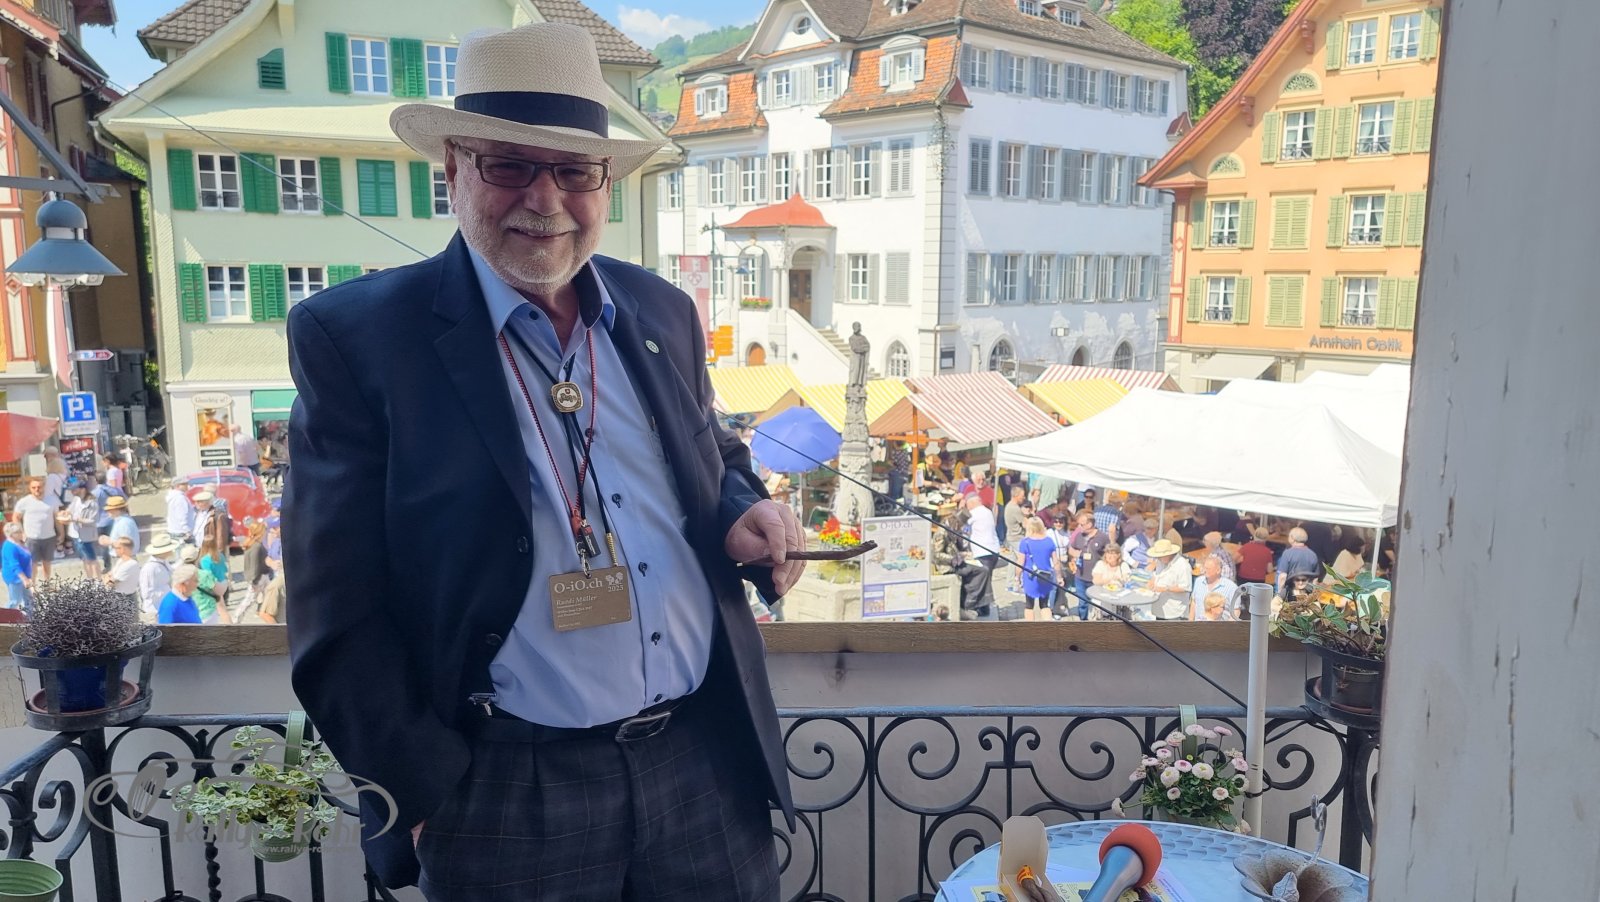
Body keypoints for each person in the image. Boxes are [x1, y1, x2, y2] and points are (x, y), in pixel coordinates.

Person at [284, 24, 807, 897]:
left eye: (572, 171)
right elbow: (334, 607)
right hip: (503, 788)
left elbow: (708, 450)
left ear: (605, 181)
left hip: (701, 759)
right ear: (453, 167)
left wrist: (742, 508)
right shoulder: (358, 339)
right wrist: (425, 793)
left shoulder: (662, 309)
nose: (545, 199)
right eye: (510, 165)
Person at [962, 493, 1001, 619]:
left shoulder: (974, 513)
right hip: (993, 550)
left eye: (967, 505)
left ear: (971, 503)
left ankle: (981, 607)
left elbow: (960, 522)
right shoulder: (987, 512)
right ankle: (984, 607)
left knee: (981, 580)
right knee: (986, 580)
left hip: (983, 551)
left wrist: (961, 508)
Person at [12, 477, 57, 581]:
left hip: (49, 536)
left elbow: (56, 517)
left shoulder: (52, 500)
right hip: (31, 538)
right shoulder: (24, 501)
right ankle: (32, 585)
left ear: (44, 487)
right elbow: (16, 517)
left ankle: (47, 584)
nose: (37, 489)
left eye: (39, 487)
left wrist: (62, 533)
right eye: (34, 487)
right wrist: (21, 533)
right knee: (32, 564)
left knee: (47, 563)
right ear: (30, 488)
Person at [1067, 511, 1108, 620]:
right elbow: (1071, 549)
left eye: (1081, 524)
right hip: (1080, 576)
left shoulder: (1103, 537)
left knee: (1097, 604)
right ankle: (1083, 622)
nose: (1079, 527)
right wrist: (1074, 554)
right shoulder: (1079, 536)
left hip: (1096, 577)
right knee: (1082, 602)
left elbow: (1109, 554)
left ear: (1090, 524)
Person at [1016, 516, 1057, 621]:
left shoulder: (1025, 542)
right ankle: (1047, 625)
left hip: (1030, 577)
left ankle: (1031, 628)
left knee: (1029, 605)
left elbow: (1020, 563)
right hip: (1046, 576)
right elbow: (1056, 562)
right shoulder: (1049, 541)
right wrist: (1059, 576)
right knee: (1044, 605)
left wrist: (1017, 577)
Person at [1147, 539, 1194, 620]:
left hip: (1174, 612)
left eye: (1160, 557)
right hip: (1160, 609)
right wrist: (1152, 581)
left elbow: (1185, 588)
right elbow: (1157, 574)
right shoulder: (1160, 561)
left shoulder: (1183, 566)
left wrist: (1166, 588)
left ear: (1169, 554)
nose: (1158, 559)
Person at [195, 532, 233, 625]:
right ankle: (231, 628)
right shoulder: (220, 555)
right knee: (223, 611)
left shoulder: (204, 560)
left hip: (215, 586)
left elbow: (208, 576)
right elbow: (225, 569)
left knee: (218, 609)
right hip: (223, 583)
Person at [67, 479, 101, 579]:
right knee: (84, 559)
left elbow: (93, 520)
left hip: (86, 536)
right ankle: (90, 579)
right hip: (75, 534)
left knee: (92, 559)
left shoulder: (92, 503)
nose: (72, 492)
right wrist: (65, 513)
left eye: (74, 489)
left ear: (82, 489)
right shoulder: (76, 499)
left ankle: (98, 580)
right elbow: (70, 510)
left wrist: (77, 519)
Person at [139, 534, 178, 621]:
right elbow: (146, 593)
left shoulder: (164, 562)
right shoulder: (150, 568)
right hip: (154, 612)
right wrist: (167, 591)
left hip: (163, 609)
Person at [1189, 556, 1238, 620]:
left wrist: (1229, 625)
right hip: (1199, 624)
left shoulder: (1231, 587)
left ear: (1218, 570)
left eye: (1208, 569)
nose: (1204, 570)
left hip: (1220, 625)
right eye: (1204, 568)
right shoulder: (1199, 581)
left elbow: (1236, 610)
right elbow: (1194, 602)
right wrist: (1190, 621)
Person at [1276, 527, 1322, 594]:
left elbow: (1283, 576)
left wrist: (1280, 593)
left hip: (1290, 592)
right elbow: (1315, 579)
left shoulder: (1287, 553)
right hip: (1306, 592)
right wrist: (1312, 594)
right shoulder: (1313, 554)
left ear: (1292, 538)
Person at [240, 520, 272, 616]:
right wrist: (254, 581)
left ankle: (266, 614)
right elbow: (255, 565)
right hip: (259, 578)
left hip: (263, 576)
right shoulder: (256, 546)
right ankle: (235, 619)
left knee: (269, 597)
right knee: (248, 601)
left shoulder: (253, 544)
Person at [2, 522, 34, 612]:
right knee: (15, 601)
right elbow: (14, 565)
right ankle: (4, 616)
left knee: (29, 599)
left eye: (20, 531)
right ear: (11, 534)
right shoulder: (9, 547)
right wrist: (25, 579)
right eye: (18, 532)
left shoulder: (20, 543)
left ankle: (30, 618)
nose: (21, 533)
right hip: (15, 578)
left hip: (24, 576)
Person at [105, 537, 141, 605]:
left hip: (126, 599)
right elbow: (109, 575)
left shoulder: (131, 564)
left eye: (117, 548)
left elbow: (110, 583)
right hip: (118, 597)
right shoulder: (120, 561)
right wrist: (108, 577)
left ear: (123, 549)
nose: (115, 550)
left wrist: (108, 578)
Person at [165, 477, 195, 544]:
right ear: (177, 486)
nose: (187, 485)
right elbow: (182, 515)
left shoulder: (173, 496)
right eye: (184, 484)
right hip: (181, 532)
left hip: (174, 530)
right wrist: (187, 531)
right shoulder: (180, 498)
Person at [1001, 484, 1028, 549]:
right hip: (1017, 538)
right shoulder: (1015, 508)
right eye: (1022, 496)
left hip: (1010, 537)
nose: (1024, 498)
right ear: (1016, 496)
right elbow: (1025, 524)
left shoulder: (1009, 505)